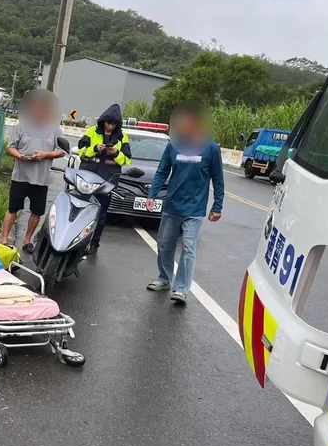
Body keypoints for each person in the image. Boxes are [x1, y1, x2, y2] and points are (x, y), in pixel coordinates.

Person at [145, 102, 224, 305]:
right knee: (164, 245)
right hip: (172, 206)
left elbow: (218, 179)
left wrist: (217, 206)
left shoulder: (211, 148)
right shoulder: (173, 145)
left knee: (189, 248)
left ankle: (181, 288)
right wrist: (152, 196)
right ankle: (164, 278)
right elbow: (163, 171)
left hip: (195, 210)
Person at [0, 89, 66, 252]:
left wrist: (45, 154)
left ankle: (27, 240)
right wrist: (20, 156)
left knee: (37, 212)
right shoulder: (22, 126)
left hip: (41, 179)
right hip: (20, 177)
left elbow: (62, 151)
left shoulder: (54, 129)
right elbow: (11, 147)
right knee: (13, 208)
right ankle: (4, 239)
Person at [77, 103, 132, 253]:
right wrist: (94, 149)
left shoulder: (122, 137)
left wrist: (115, 153)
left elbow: (127, 159)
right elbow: (80, 150)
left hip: (108, 179)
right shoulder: (91, 132)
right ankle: (77, 239)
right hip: (88, 177)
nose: (110, 126)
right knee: (82, 209)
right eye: (108, 123)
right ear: (103, 121)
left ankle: (94, 244)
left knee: (101, 213)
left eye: (114, 124)